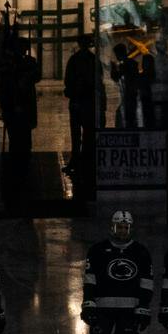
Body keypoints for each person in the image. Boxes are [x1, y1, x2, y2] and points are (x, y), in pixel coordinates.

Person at [80, 210, 153, 334]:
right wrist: (88, 303)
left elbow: (146, 282)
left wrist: (144, 307)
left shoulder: (141, 252)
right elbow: (90, 280)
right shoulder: (97, 250)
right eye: (119, 227)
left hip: (129, 310)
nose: (122, 231)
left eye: (125, 227)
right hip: (103, 308)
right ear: (112, 227)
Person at [0, 40, 41, 211]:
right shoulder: (6, 71)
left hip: (24, 111)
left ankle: (23, 168)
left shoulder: (27, 66)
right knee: (16, 141)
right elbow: (3, 90)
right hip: (13, 112)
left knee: (24, 141)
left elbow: (36, 74)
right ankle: (17, 170)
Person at [62, 43, 100, 209]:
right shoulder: (91, 60)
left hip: (80, 101)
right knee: (86, 133)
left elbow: (68, 80)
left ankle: (78, 160)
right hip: (85, 101)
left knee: (78, 133)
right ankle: (83, 160)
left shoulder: (75, 60)